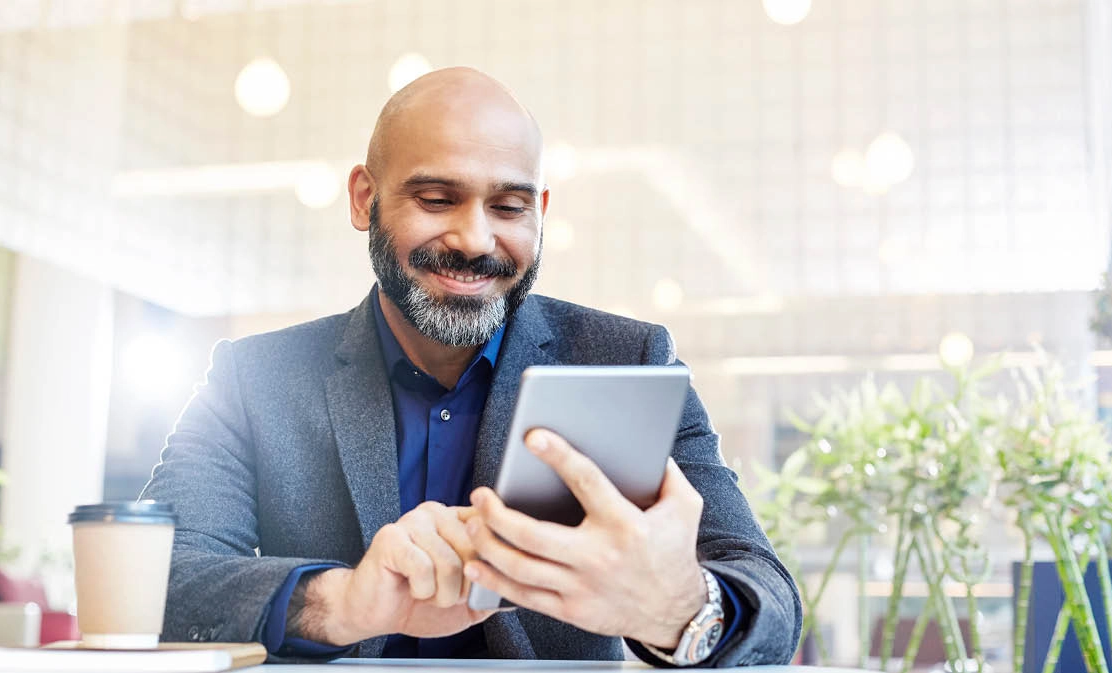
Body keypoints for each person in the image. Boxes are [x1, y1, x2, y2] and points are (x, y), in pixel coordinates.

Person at [141, 67, 801, 667]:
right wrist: (339, 602)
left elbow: (767, 597)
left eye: (508, 207)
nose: (476, 239)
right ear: (363, 199)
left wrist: (681, 607)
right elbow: (155, 579)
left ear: (539, 213)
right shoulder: (253, 378)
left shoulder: (628, 356)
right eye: (436, 198)